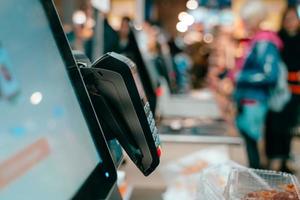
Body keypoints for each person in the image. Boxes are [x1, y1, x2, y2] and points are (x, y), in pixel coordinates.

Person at [234, 1, 282, 169]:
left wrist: (239, 76)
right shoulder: (257, 40)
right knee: (251, 145)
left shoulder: (264, 41)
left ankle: (257, 187)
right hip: (250, 100)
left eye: (247, 19)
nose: (244, 23)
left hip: (254, 100)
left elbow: (270, 75)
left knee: (255, 148)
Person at [265, 6, 300, 173]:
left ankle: (285, 159)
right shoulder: (277, 39)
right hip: (277, 90)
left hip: (295, 91)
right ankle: (273, 159)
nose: (290, 22)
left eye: (293, 18)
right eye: (287, 18)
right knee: (274, 125)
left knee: (289, 127)